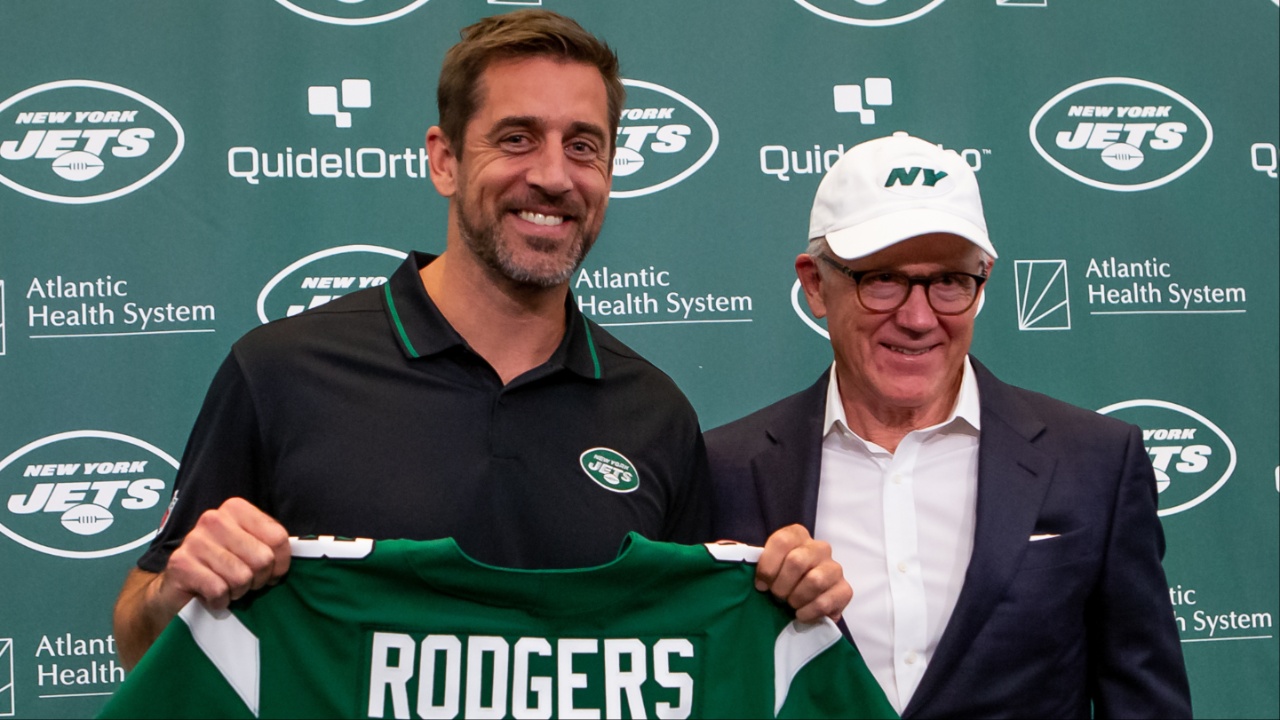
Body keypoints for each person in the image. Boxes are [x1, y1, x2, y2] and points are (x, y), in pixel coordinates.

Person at [112, 10, 848, 670]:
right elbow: (138, 640)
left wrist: (785, 597)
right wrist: (177, 587)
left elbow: (693, 661)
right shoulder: (279, 372)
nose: (554, 176)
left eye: (584, 146)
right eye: (517, 138)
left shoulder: (654, 414)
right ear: (444, 159)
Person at [707, 132, 1192, 718]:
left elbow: (1146, 705)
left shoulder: (1097, 461)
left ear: (982, 280)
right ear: (815, 283)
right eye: (881, 278)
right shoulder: (723, 468)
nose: (918, 318)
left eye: (950, 282)